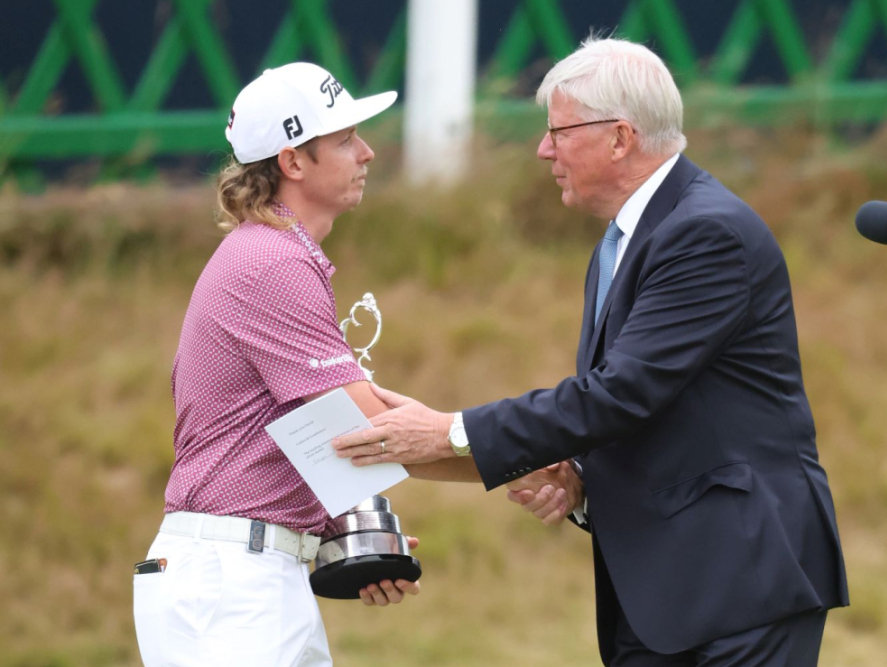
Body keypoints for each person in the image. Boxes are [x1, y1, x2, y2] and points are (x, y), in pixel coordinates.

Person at [333, 38, 850, 666]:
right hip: (668, 593)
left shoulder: (704, 233)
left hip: (739, 583)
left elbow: (622, 393)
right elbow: (648, 404)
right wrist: (579, 478)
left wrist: (452, 432)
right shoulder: (630, 237)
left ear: (620, 137)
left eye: (558, 131)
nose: (544, 148)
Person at [132, 62, 482, 667]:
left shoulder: (270, 252)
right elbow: (371, 430)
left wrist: (349, 535)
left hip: (248, 576)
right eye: (345, 139)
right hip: (234, 586)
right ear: (293, 162)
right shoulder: (273, 263)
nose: (367, 152)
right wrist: (517, 459)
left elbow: (342, 437)